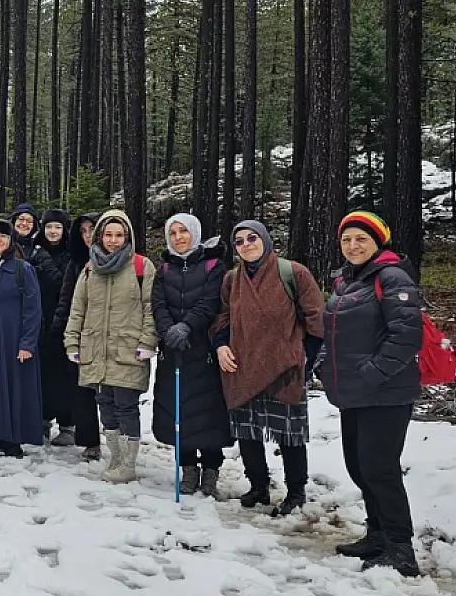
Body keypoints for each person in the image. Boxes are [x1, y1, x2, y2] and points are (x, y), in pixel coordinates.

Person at [321, 212, 424, 576]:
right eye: (347, 239)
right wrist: (322, 363)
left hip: (387, 393)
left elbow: (407, 336)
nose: (353, 246)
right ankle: (377, 534)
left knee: (380, 469)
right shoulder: (344, 281)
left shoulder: (392, 277)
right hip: (353, 391)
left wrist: (373, 373)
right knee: (359, 467)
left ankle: (400, 548)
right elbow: (329, 331)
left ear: (378, 241)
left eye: (361, 239)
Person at [213, 219, 325, 516]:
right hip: (242, 364)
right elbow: (222, 317)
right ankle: (258, 486)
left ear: (264, 239)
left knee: (289, 433)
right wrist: (221, 344)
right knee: (247, 431)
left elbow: (316, 317)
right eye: (239, 241)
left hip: (284, 367)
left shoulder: (293, 273)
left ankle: (296, 491)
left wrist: (305, 357)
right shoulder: (231, 280)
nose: (247, 244)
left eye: (252, 238)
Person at [63, 209, 155, 482]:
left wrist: (148, 341)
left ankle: (128, 463)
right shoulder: (90, 270)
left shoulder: (141, 267)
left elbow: (150, 308)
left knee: (126, 406)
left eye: (119, 235)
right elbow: (77, 308)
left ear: (127, 237)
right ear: (100, 237)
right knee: (105, 403)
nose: (113, 240)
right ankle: (115, 457)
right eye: (108, 234)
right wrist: (72, 341)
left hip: (128, 349)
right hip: (96, 349)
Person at [151, 213, 230, 497]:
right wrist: (168, 330)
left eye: (183, 232)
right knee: (179, 411)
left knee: (207, 413)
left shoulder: (213, 266)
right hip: (174, 351)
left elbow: (211, 303)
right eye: (173, 233)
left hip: (203, 350)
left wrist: (187, 326)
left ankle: (210, 470)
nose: (178, 238)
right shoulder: (165, 270)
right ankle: (188, 468)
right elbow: (158, 304)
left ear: (194, 234)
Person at [0, 220, 44, 457]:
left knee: (13, 388)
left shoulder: (24, 270)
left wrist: (27, 343)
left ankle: (12, 439)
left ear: (11, 240)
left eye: (3, 236)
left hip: (14, 340)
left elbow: (33, 310)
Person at [34, 208, 79, 447]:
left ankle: (67, 424)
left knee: (64, 376)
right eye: (49, 226)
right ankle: (41, 420)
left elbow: (64, 284)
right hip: (39, 321)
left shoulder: (71, 255)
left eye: (57, 227)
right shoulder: (35, 252)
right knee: (42, 374)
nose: (53, 232)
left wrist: (45, 263)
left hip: (64, 322)